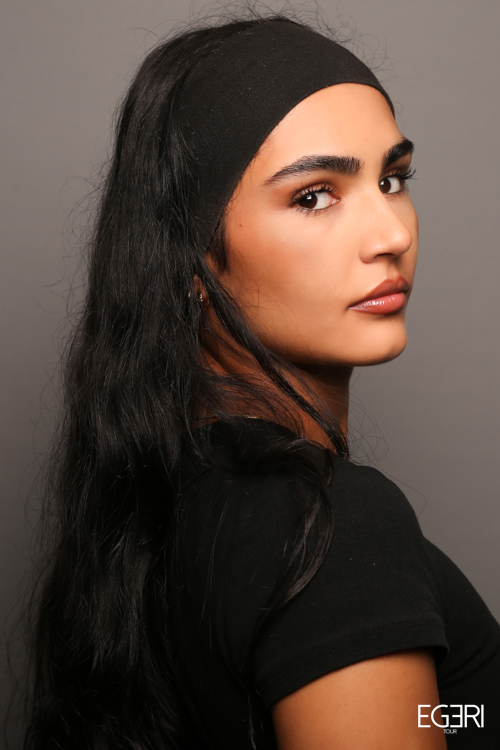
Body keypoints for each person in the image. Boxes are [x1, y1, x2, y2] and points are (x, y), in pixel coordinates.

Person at [23, 12, 500, 750]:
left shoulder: (172, 502)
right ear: (192, 259)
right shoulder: (329, 527)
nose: (394, 234)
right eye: (314, 195)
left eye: (392, 179)